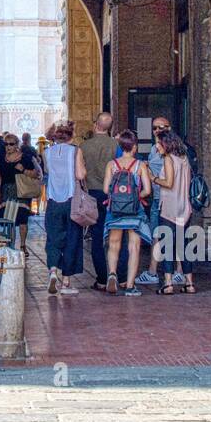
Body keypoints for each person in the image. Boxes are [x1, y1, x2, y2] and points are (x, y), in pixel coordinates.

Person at [102, 130, 152, 296]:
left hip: (115, 210)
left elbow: (105, 189)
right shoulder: (140, 165)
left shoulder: (112, 164)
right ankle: (130, 286)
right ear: (135, 147)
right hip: (134, 211)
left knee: (114, 244)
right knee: (134, 247)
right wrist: (135, 197)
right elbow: (147, 190)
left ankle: (112, 273)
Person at [80, 113, 125, 292]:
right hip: (113, 195)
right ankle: (120, 276)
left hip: (92, 193)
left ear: (95, 124)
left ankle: (101, 279)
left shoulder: (84, 146)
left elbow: (80, 172)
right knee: (117, 236)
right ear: (110, 127)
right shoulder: (117, 146)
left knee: (97, 238)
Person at [43, 121, 87, 295]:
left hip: (53, 200)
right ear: (71, 135)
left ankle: (53, 271)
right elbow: (80, 174)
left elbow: (47, 171)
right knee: (72, 239)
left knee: (53, 238)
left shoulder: (47, 152)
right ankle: (66, 282)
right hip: (71, 200)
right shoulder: (75, 151)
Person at [152, 132, 196, 294]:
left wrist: (154, 178)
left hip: (169, 208)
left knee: (168, 245)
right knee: (184, 246)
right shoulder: (184, 158)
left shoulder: (169, 159)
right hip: (184, 207)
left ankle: (168, 283)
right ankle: (189, 283)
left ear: (167, 144)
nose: (157, 146)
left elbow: (169, 183)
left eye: (158, 143)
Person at [136, 114, 171, 285]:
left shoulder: (168, 150)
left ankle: (155, 272)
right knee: (161, 234)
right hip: (159, 197)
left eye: (161, 127)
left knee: (160, 234)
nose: (157, 131)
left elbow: (161, 175)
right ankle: (161, 271)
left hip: (165, 197)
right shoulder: (153, 149)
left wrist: (148, 172)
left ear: (169, 129)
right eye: (155, 128)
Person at [0, 132, 41, 253]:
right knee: (9, 220)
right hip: (6, 191)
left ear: (17, 145)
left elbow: (37, 174)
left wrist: (24, 170)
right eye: (6, 144)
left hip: (21, 191)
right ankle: (11, 246)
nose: (8, 146)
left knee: (22, 219)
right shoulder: (2, 159)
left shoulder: (25, 157)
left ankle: (23, 245)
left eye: (11, 144)